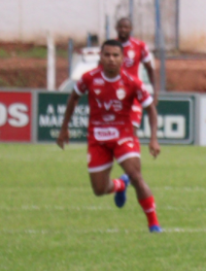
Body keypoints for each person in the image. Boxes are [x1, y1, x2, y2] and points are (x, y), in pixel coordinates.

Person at [56, 40, 162, 232]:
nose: (111, 59)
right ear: (101, 57)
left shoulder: (132, 82)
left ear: (122, 59)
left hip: (123, 136)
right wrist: (64, 128)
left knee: (137, 176)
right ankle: (121, 185)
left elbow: (151, 109)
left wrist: (153, 138)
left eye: (115, 55)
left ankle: (153, 223)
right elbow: (73, 98)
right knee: (99, 190)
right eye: (107, 55)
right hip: (97, 139)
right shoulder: (89, 78)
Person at [115, 18, 157, 128]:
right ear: (116, 28)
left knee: (132, 128)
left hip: (133, 92)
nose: (123, 30)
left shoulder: (139, 46)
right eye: (121, 27)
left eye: (126, 27)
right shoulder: (110, 47)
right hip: (114, 91)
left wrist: (155, 92)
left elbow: (150, 69)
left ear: (131, 29)